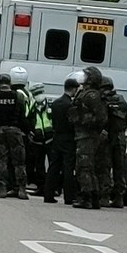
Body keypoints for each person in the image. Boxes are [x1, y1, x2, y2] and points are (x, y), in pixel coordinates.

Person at [70, 66, 109, 209]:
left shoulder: (92, 95)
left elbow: (101, 118)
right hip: (82, 135)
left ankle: (87, 198)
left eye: (86, 76)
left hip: (87, 136)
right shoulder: (85, 93)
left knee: (84, 167)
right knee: (86, 167)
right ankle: (91, 197)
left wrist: (85, 121)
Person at [0, 73, 29, 199]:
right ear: (10, 83)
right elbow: (23, 114)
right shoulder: (18, 96)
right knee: (19, 161)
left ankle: (3, 188)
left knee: (2, 161)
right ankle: (21, 189)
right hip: (14, 130)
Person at [95, 76, 127, 208]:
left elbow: (99, 119)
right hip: (120, 138)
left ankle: (104, 196)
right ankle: (119, 198)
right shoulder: (122, 101)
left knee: (105, 167)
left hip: (106, 138)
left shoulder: (102, 100)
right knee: (119, 168)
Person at [45, 76, 79, 204]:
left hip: (57, 137)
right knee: (68, 167)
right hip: (68, 138)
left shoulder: (56, 103)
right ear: (74, 89)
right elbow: (72, 123)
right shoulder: (69, 105)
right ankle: (69, 197)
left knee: (53, 167)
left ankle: (48, 195)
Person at [27, 82, 53, 197]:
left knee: (52, 165)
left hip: (50, 138)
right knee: (39, 166)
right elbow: (27, 119)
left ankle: (53, 188)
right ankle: (41, 187)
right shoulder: (31, 106)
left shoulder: (50, 105)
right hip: (37, 140)